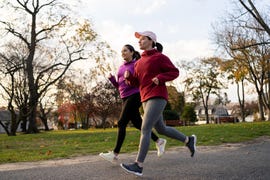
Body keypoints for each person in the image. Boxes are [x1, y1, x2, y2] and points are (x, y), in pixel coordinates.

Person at [120, 31, 197, 176]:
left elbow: (174, 72)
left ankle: (138, 165)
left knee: (145, 127)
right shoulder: (139, 62)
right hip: (145, 98)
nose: (139, 41)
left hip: (158, 96)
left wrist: (160, 78)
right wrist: (129, 78)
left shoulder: (159, 57)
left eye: (143, 39)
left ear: (151, 41)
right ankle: (188, 140)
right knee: (161, 129)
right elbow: (137, 82)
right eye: (139, 39)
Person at [99, 44, 167, 163]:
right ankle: (159, 141)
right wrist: (112, 80)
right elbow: (119, 86)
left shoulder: (137, 64)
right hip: (124, 98)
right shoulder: (120, 68)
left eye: (125, 50)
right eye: (122, 51)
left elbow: (141, 80)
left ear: (131, 52)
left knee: (121, 122)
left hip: (135, 95)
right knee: (137, 123)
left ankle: (114, 154)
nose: (123, 53)